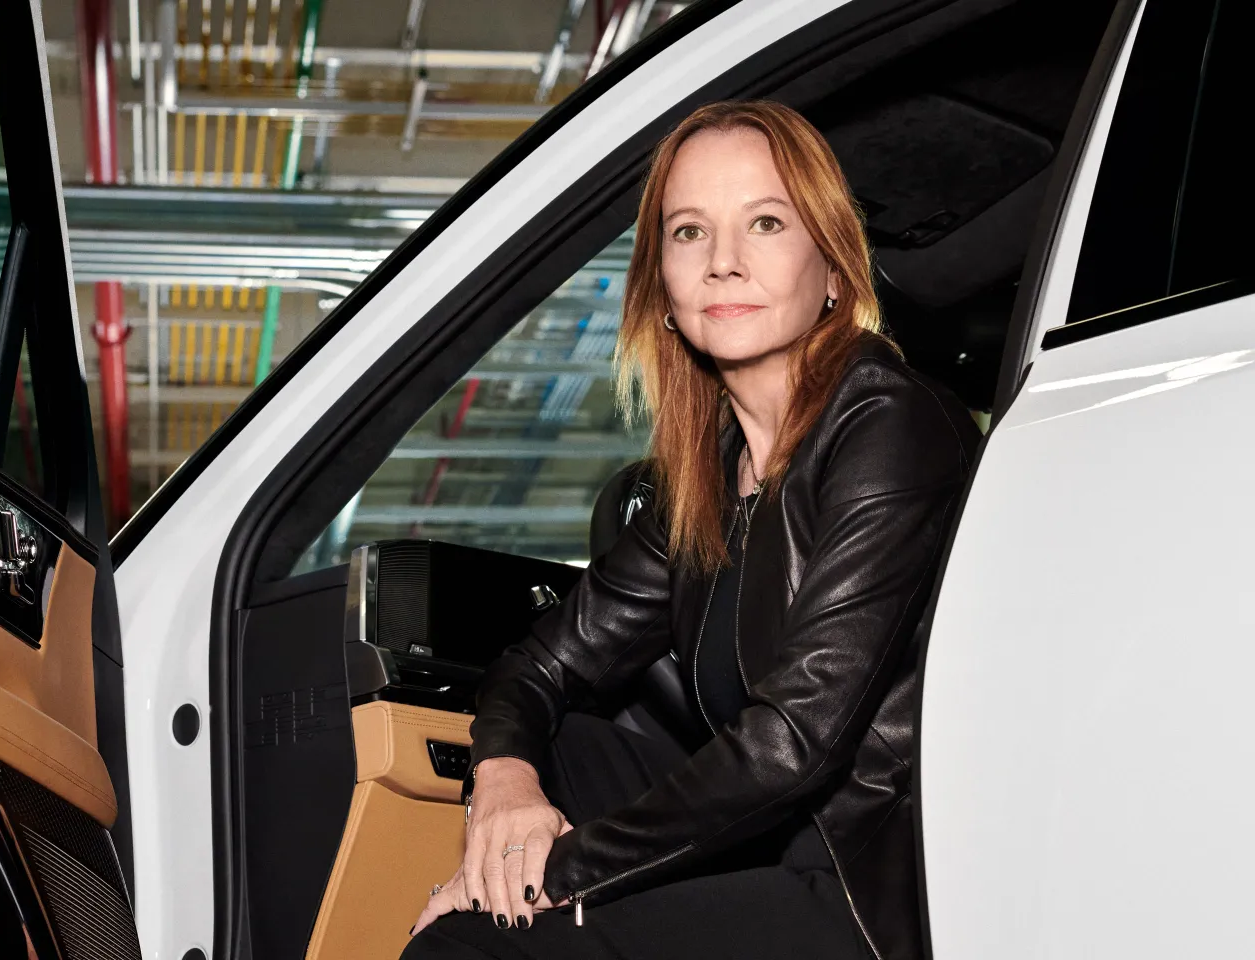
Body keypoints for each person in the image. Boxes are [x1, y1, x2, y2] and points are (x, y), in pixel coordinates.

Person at [404, 99, 979, 960]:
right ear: (663, 294)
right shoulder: (708, 475)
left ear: (832, 271)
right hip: (764, 842)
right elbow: (538, 666)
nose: (723, 263)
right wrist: (504, 784)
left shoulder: (891, 425)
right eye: (688, 233)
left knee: (469, 948)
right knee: (557, 749)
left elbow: (793, 743)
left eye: (766, 222)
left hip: (858, 885)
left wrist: (551, 876)